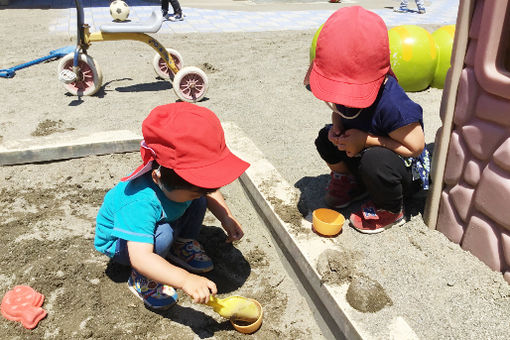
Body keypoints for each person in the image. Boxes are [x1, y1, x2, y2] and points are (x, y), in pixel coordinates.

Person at [94, 102, 250, 309]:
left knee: (199, 199)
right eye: (196, 189)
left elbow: (208, 189)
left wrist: (225, 216)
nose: (205, 191)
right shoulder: (139, 202)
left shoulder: (180, 183)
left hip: (164, 216)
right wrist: (185, 279)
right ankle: (142, 279)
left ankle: (181, 244)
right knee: (163, 235)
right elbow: (141, 257)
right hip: (126, 246)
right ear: (157, 178)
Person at [304, 6, 430, 234]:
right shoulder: (345, 83)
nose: (342, 99)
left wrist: (366, 140)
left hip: (400, 168)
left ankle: (391, 209)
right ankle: (352, 181)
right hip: (361, 151)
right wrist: (338, 126)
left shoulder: (392, 104)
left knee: (374, 161)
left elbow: (415, 147)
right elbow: (338, 110)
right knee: (325, 138)